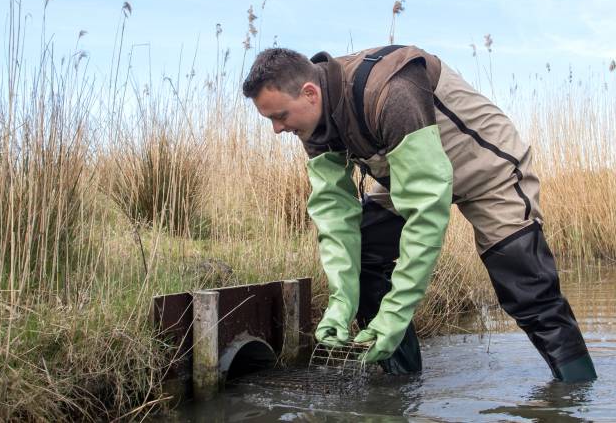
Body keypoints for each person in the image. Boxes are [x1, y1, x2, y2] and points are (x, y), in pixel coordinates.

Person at [241, 45, 597, 381]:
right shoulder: (312, 124)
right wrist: (341, 301)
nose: (277, 129)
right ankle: (401, 383)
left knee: (527, 288)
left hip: (487, 171)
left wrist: (397, 311)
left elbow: (426, 212)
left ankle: (576, 393)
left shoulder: (390, 90)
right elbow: (335, 214)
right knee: (364, 255)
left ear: (309, 93)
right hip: (409, 175)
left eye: (280, 116)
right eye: (271, 120)